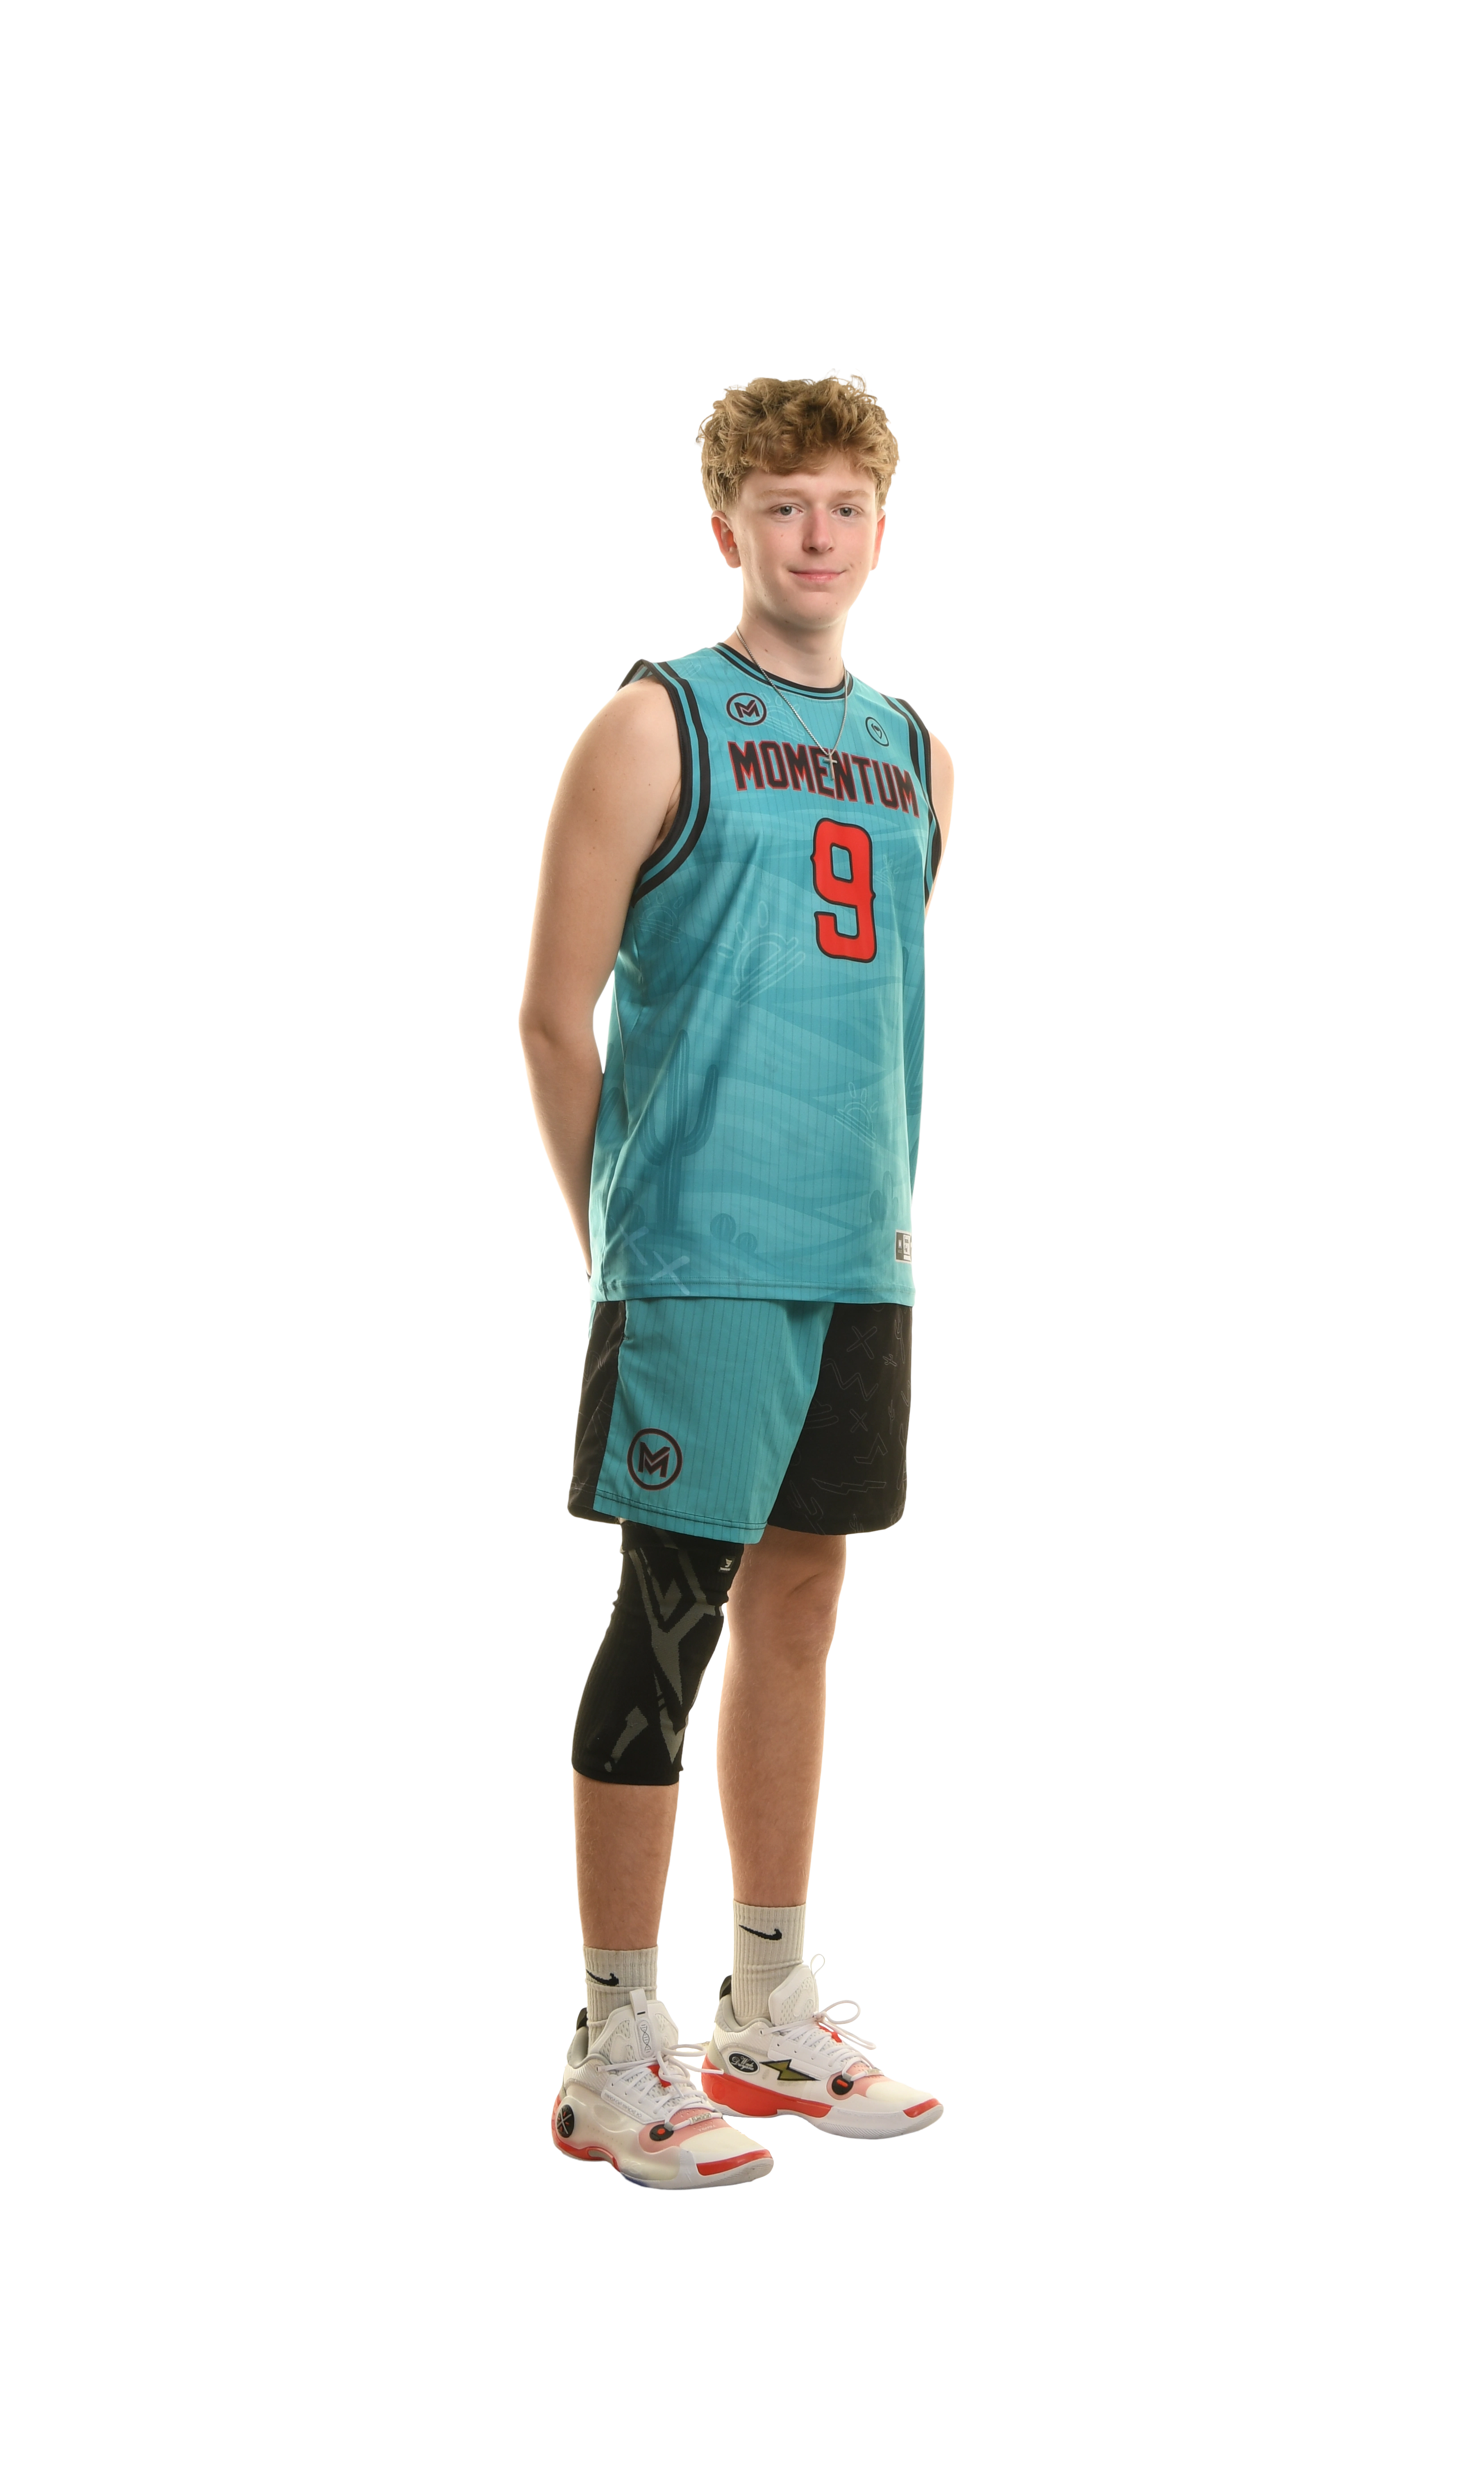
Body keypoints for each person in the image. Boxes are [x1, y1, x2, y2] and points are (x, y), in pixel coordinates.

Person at [518, 367, 954, 2190]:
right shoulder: (654, 724)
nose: (816, 535)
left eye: (846, 504)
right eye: (782, 505)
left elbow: (856, 1006)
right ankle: (614, 2047)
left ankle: (767, 2009)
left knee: (803, 1606)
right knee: (668, 1622)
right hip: (700, 1256)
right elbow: (551, 1016)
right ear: (727, 527)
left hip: (859, 1252)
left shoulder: (917, 749)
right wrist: (624, 1242)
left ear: (882, 525)